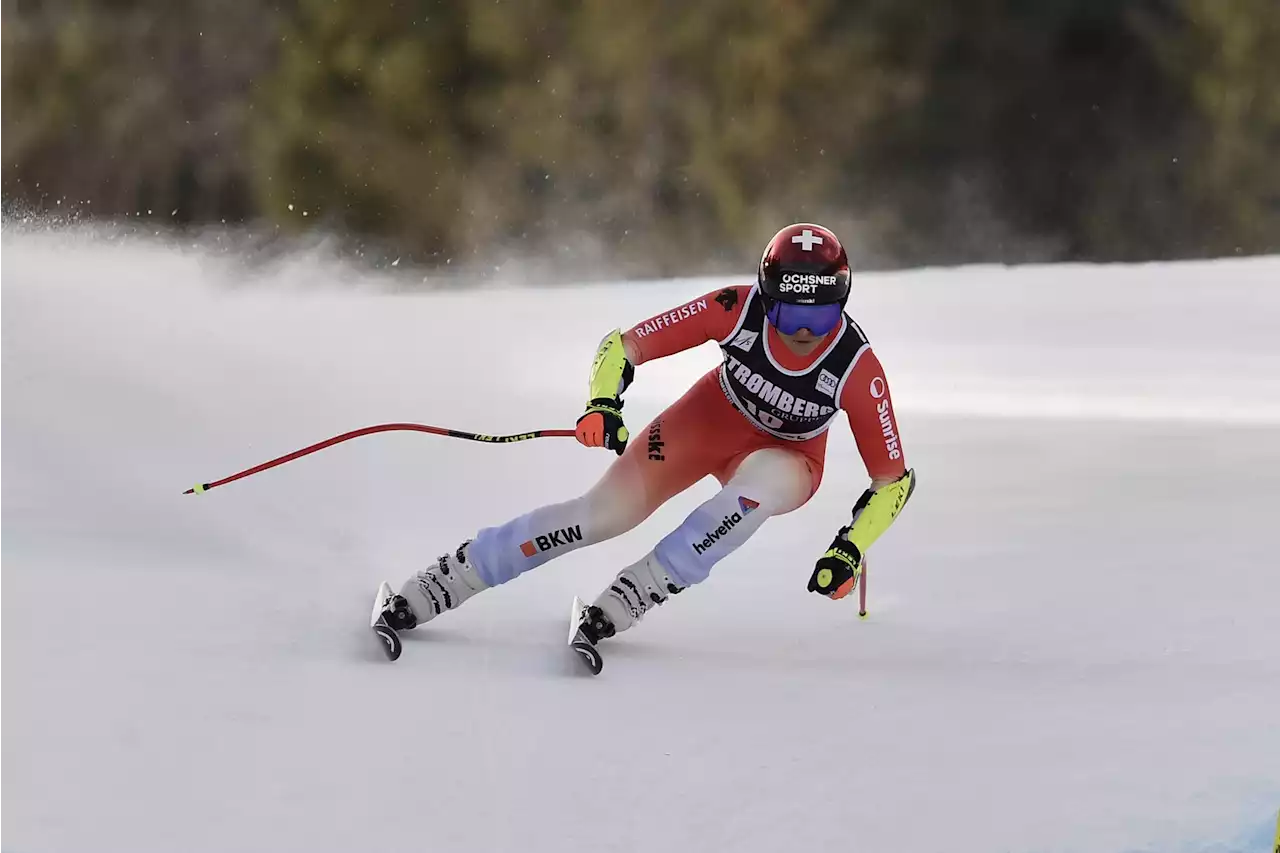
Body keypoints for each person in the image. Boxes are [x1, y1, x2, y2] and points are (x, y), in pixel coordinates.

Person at [379, 222, 915, 645]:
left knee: (749, 496)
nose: (802, 333)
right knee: (602, 515)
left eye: (819, 319)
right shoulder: (734, 308)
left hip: (790, 456)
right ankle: (448, 579)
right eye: (789, 315)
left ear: (841, 306)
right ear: (764, 299)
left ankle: (635, 593)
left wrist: (849, 548)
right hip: (707, 419)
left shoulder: (856, 368)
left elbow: (892, 480)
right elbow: (624, 345)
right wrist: (602, 404)